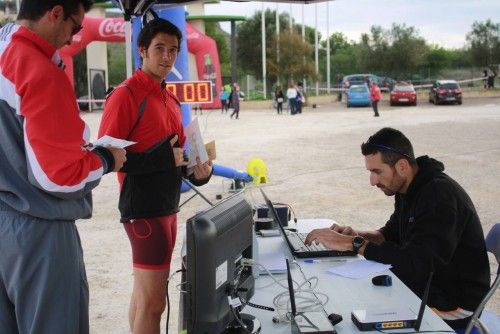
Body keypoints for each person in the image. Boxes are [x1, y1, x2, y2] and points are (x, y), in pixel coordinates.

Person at [0, 1, 127, 333]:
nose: (73, 38)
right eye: (75, 26)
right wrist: (106, 159)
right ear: (55, 12)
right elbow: (58, 177)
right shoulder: (37, 69)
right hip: (39, 231)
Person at [305, 127, 490, 330]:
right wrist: (355, 235)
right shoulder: (407, 188)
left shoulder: (438, 196)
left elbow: (416, 264)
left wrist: (355, 244)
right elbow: (389, 235)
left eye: (377, 172)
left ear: (402, 166)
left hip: (453, 304)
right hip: (427, 285)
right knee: (346, 296)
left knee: (353, 310)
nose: (372, 181)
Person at [98, 18, 212, 334]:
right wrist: (164, 157)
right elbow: (105, 159)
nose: (167, 56)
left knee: (143, 299)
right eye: (159, 48)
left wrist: (198, 171)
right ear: (142, 51)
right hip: (143, 210)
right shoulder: (125, 95)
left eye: (173, 50)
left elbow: (177, 159)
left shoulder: (170, 99)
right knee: (154, 304)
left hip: (166, 206)